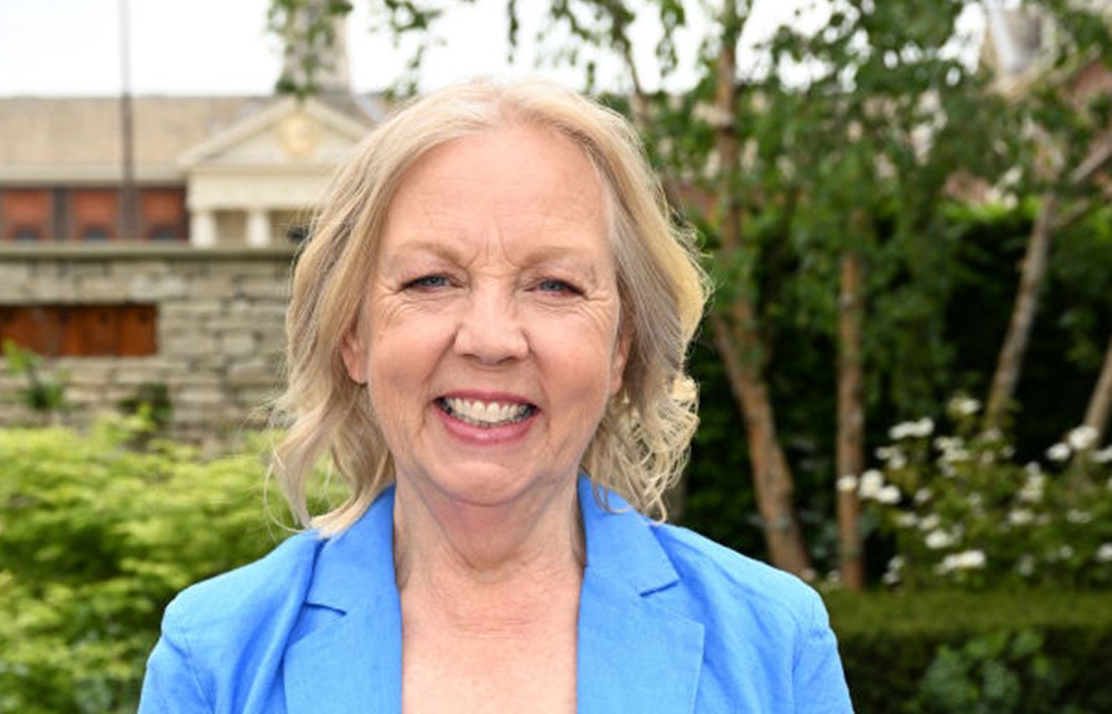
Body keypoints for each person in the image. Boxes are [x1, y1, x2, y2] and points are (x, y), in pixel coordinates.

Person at [138, 79, 853, 713]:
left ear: (620, 347)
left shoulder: (773, 645)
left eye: (554, 285)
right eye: (430, 280)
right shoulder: (218, 658)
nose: (490, 338)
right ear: (353, 337)